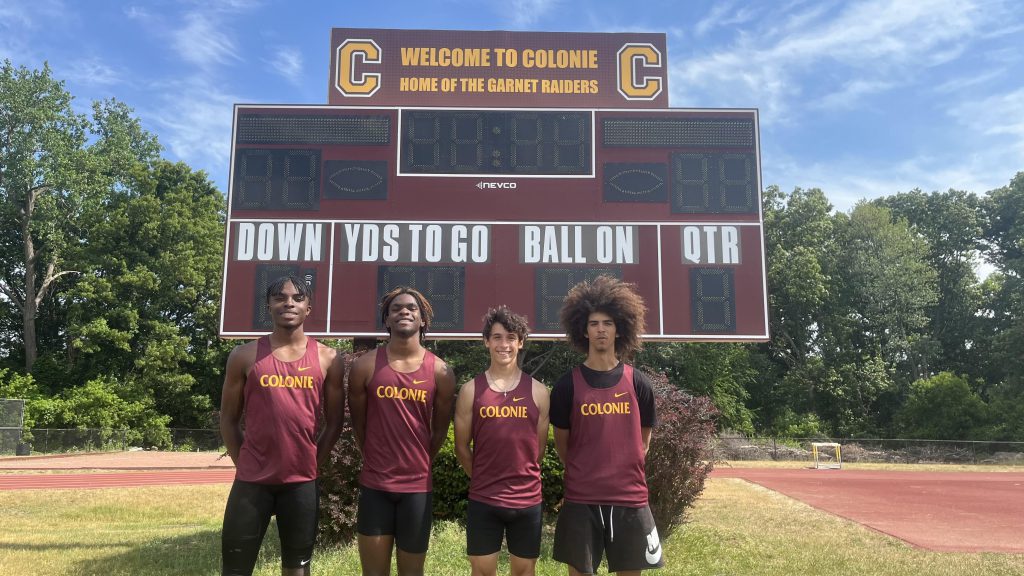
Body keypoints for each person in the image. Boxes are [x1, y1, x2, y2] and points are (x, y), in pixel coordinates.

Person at [219, 275, 346, 576]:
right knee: (235, 569)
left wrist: (314, 463)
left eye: (297, 297)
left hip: (301, 483)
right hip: (252, 482)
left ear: (308, 307)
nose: (288, 302)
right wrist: (245, 463)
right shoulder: (243, 356)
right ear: (269, 305)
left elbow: (335, 422)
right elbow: (229, 418)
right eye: (280, 296)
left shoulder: (329, 358)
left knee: (297, 568)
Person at [550, 275, 662, 576]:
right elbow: (564, 446)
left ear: (619, 329)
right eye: (594, 323)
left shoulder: (638, 383)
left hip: (629, 498)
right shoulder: (566, 387)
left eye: (608, 323)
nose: (601, 329)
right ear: (583, 331)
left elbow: (643, 443)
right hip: (581, 499)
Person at [348, 287, 457, 576]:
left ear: (423, 320)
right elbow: (360, 426)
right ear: (386, 320)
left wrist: (418, 460)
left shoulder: (441, 372)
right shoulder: (364, 367)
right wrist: (375, 456)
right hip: (375, 487)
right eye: (396, 308)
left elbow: (439, 431)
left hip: (416, 490)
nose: (404, 312)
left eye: (411, 308)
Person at [454, 306, 550, 576]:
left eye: (510, 337)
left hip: (527, 500)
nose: (503, 344)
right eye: (497, 337)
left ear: (520, 342)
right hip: (484, 499)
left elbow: (537, 450)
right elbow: (461, 446)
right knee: (483, 572)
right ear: (486, 341)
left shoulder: (539, 392)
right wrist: (482, 478)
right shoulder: (470, 390)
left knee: (524, 572)